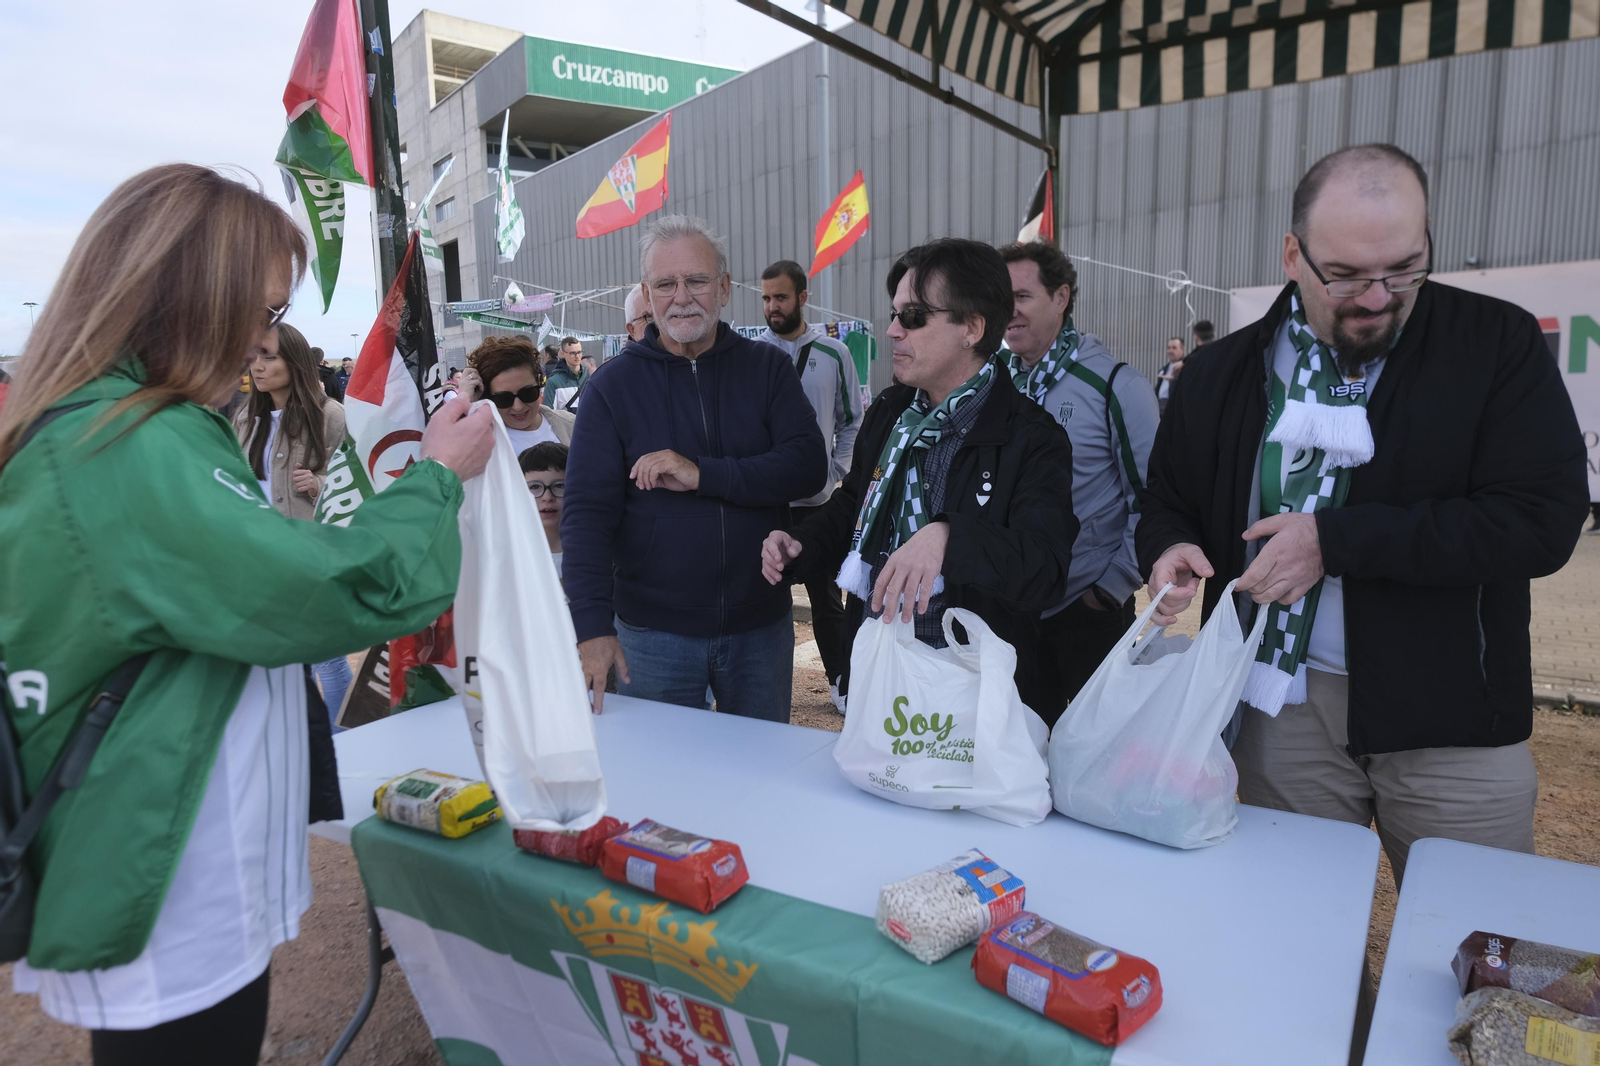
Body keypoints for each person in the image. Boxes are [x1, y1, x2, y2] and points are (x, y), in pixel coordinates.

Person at [0, 163, 493, 1066]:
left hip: (173, 838)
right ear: (189, 292)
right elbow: (312, 589)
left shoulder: (142, 424)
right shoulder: (128, 443)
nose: (266, 338)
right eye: (263, 311)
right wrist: (435, 478)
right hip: (165, 857)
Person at [1137, 144, 1588, 884]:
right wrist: (1169, 547)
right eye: (1345, 275)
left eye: (1405, 269)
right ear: (1293, 255)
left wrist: (1335, 542)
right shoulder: (1222, 371)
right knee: (1298, 929)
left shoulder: (1494, 343)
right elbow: (1168, 500)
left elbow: (1541, 519)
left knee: (1477, 937)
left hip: (1453, 717)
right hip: (1279, 706)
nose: (1378, 297)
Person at [761, 238, 1077, 715]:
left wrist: (949, 538)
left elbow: (1045, 567)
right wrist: (801, 544)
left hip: (975, 702)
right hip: (880, 678)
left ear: (972, 328)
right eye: (894, 314)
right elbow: (854, 504)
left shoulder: (1031, 437)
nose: (892, 331)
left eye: (912, 317)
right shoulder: (891, 411)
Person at [563, 214, 827, 719]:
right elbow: (586, 516)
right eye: (665, 284)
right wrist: (592, 627)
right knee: (659, 769)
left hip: (760, 628)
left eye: (697, 281)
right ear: (647, 293)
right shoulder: (611, 388)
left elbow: (808, 466)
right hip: (653, 636)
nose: (681, 297)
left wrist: (703, 474)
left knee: (758, 765)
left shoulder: (767, 368)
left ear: (724, 288)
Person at [998, 241, 1159, 723]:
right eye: (1001, 298)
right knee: (1021, 752)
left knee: (1100, 752)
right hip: (1012, 611)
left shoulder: (1115, 385)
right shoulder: (994, 384)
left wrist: (1108, 591)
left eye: (1022, 296)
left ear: (1061, 297)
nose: (1009, 311)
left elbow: (1151, 500)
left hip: (1088, 611)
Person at [753, 259, 863, 714]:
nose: (772, 307)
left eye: (780, 297)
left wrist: (835, 473)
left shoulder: (835, 353)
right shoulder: (752, 355)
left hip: (819, 504)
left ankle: (840, 681)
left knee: (827, 598)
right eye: (765, 298)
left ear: (802, 297)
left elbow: (852, 421)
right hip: (765, 501)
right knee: (761, 597)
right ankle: (757, 685)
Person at [233, 321, 354, 722]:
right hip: (260, 561)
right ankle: (302, 744)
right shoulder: (245, 420)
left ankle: (342, 741)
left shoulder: (330, 415)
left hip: (313, 558)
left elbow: (357, 484)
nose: (258, 366)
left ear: (295, 361)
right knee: (280, 665)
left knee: (327, 660)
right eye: (254, 357)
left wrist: (320, 484)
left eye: (269, 357)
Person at [453, 335, 575, 453]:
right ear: (488, 396)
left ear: (539, 383)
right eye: (504, 398)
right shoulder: (476, 439)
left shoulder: (571, 425)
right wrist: (464, 402)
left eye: (527, 393)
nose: (518, 407)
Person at [520, 442, 568, 579]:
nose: (547, 497)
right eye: (535, 487)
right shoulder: (514, 552)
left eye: (559, 485)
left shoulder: (595, 549)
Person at [544, 335, 589, 410]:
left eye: (579, 352)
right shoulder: (553, 382)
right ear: (563, 354)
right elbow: (548, 412)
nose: (577, 356)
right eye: (572, 353)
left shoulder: (590, 378)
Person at [1156, 336, 1184, 415]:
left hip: (1174, 409)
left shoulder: (1186, 368)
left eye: (1174, 348)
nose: (1170, 350)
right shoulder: (1164, 369)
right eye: (1169, 348)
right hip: (1160, 407)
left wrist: (1174, 380)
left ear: (1182, 350)